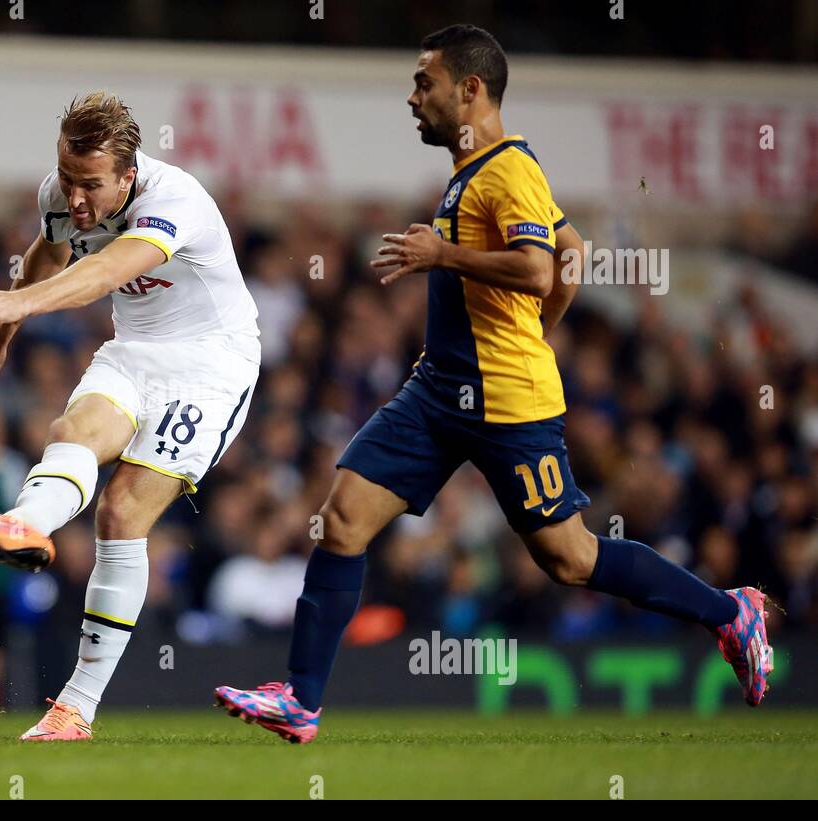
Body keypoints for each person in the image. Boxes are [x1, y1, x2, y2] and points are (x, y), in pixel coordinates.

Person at [215, 24, 773, 744]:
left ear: (470, 89)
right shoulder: (482, 169)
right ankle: (301, 699)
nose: (413, 97)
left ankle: (731, 614)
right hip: (437, 389)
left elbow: (542, 268)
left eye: (425, 82)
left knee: (569, 558)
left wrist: (449, 258)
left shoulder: (506, 170)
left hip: (506, 401)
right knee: (345, 514)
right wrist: (539, 328)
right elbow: (571, 251)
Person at [0, 91, 261, 741]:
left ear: (129, 173)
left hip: (210, 368)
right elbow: (51, 251)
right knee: (72, 433)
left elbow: (108, 268)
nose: (77, 198)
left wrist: (11, 304)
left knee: (121, 514)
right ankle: (24, 525)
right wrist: (2, 336)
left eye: (91, 185)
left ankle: (75, 708)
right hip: (134, 353)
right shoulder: (61, 193)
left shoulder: (177, 201)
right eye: (68, 179)